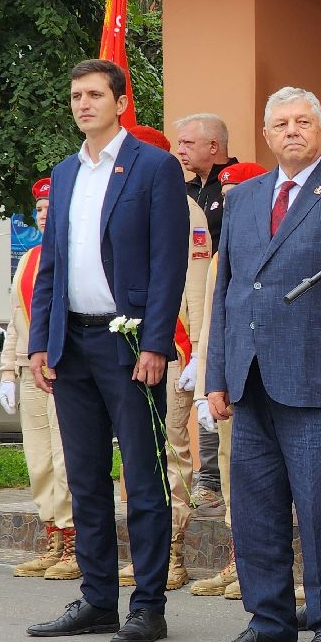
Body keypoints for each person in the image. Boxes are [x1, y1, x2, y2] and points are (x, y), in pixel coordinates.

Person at [205, 87, 321, 642]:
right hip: (251, 380)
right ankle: (269, 619)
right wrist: (218, 375)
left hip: (320, 385)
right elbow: (229, 291)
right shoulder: (247, 197)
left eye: (303, 121)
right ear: (265, 132)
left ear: (320, 129)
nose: (291, 131)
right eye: (280, 123)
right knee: (255, 506)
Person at [25, 58, 188, 642]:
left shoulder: (153, 167)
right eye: (75, 96)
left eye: (94, 94)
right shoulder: (66, 173)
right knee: (87, 479)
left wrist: (156, 342)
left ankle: (149, 604)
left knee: (143, 479)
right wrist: (40, 343)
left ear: (120, 102)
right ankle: (98, 599)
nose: (83, 104)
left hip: (128, 345)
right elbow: (53, 264)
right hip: (72, 344)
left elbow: (169, 263)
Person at [118, 124, 208, 594]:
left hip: (169, 351)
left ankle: (171, 553)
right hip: (127, 347)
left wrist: (194, 354)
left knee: (169, 454)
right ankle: (144, 551)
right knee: (134, 459)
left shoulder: (185, 209)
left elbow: (192, 289)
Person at [189, 161, 266, 598]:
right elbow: (210, 326)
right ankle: (238, 563)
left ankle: (254, 568)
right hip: (227, 379)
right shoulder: (221, 253)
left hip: (259, 379)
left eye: (238, 195)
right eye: (225, 196)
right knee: (229, 472)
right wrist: (205, 385)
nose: (230, 203)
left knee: (257, 482)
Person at [1, 178, 77, 581]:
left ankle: (74, 540)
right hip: (29, 370)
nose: (44, 214)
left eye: (51, 207)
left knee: (67, 457)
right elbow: (16, 318)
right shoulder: (30, 258)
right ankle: (53, 534)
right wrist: (7, 371)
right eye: (40, 209)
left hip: (62, 369)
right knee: (40, 459)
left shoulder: (73, 255)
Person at [172, 112, 236, 517]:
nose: (179, 150)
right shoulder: (186, 189)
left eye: (187, 144)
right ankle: (205, 478)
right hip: (187, 309)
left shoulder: (236, 186)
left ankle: (211, 480)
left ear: (213, 147)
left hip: (218, 308)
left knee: (216, 403)